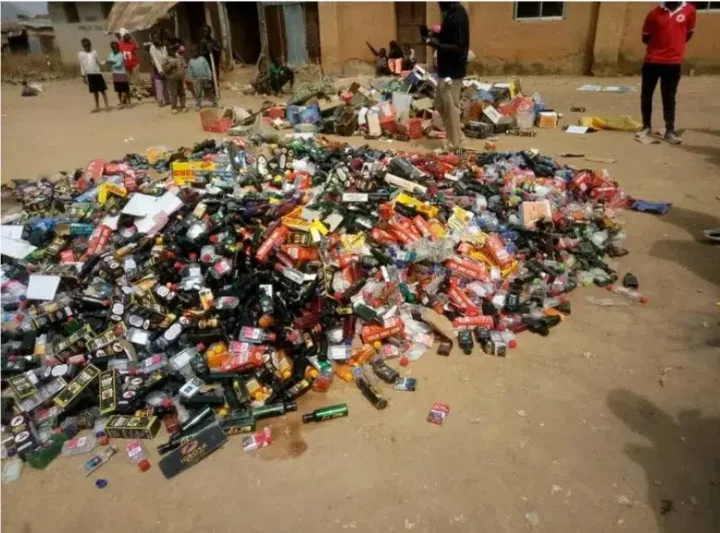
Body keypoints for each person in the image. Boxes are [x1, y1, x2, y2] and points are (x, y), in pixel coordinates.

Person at [636, 1, 696, 145]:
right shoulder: (653, 13)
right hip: (652, 61)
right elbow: (645, 38)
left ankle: (670, 130)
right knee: (647, 94)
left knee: (669, 97)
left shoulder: (690, 11)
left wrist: (674, 48)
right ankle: (646, 126)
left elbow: (688, 34)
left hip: (673, 63)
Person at [425, 2, 469, 151]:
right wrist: (433, 34)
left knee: (450, 108)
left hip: (453, 71)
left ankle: (454, 144)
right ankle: (458, 135)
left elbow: (459, 47)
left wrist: (435, 44)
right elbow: (448, 37)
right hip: (444, 71)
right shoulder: (451, 13)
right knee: (440, 104)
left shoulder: (458, 16)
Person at [78, 38, 110, 113]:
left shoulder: (94, 52)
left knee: (102, 90)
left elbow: (100, 62)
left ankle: (107, 106)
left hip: (97, 73)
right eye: (85, 45)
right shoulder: (81, 54)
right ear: (83, 46)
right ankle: (97, 106)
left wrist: (106, 61)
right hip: (89, 74)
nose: (87, 47)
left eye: (88, 45)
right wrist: (83, 76)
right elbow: (81, 66)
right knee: (95, 92)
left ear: (90, 45)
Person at [187, 45, 217, 110]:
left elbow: (207, 68)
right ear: (190, 52)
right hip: (196, 79)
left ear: (198, 51)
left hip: (205, 78)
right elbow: (190, 71)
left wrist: (209, 76)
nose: (194, 52)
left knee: (209, 91)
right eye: (192, 51)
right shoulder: (191, 61)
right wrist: (191, 79)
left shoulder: (202, 59)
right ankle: (198, 104)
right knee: (198, 92)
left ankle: (214, 102)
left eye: (195, 51)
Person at [117, 28, 140, 101]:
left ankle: (138, 95)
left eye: (128, 35)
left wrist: (132, 36)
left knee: (136, 81)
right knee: (127, 81)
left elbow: (137, 46)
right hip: (126, 66)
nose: (128, 36)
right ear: (123, 37)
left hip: (134, 65)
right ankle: (126, 96)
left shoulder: (132, 44)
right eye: (126, 35)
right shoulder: (120, 45)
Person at [163, 44, 187, 114]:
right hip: (172, 78)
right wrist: (170, 65)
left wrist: (184, 70)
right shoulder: (166, 58)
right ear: (168, 51)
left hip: (180, 77)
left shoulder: (179, 57)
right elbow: (165, 69)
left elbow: (183, 65)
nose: (173, 51)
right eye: (171, 50)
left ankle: (183, 106)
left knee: (182, 93)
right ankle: (174, 107)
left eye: (173, 50)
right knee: (174, 93)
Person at [108, 41, 131, 108]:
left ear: (118, 48)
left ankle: (129, 102)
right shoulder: (110, 54)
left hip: (122, 73)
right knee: (119, 90)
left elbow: (119, 64)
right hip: (115, 73)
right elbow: (110, 62)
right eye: (113, 48)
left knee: (126, 89)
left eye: (115, 47)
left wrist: (112, 63)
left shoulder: (121, 55)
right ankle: (121, 102)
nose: (114, 49)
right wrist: (112, 63)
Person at [149, 31, 168, 107]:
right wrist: (160, 70)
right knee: (159, 85)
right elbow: (155, 60)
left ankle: (166, 99)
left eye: (157, 37)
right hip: (157, 69)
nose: (156, 39)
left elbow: (165, 57)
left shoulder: (163, 47)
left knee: (166, 85)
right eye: (154, 38)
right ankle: (160, 101)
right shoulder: (152, 48)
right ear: (152, 39)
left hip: (165, 67)